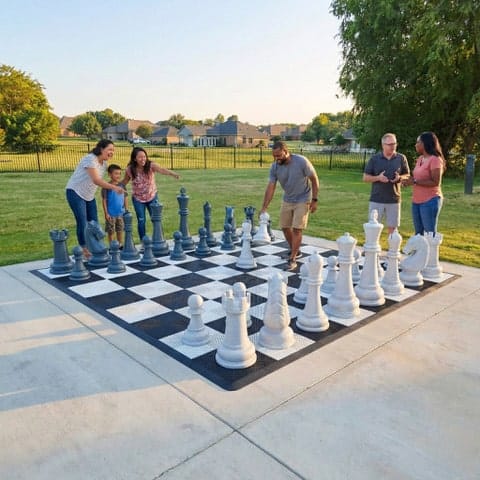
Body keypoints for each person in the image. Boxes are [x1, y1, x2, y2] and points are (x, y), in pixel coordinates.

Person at [260, 141, 319, 271]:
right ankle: (295, 250)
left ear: (286, 152)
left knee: (297, 229)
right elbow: (271, 187)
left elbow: (314, 179)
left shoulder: (301, 161)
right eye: (274, 156)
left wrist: (314, 200)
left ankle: (292, 259)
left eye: (279, 155)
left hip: (303, 198)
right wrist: (264, 207)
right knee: (285, 227)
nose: (276, 159)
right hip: (288, 199)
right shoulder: (275, 167)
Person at [66, 139, 125, 259]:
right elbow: (96, 180)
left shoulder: (104, 164)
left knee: (94, 223)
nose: (112, 152)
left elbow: (108, 177)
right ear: (101, 149)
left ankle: (96, 247)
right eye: (110, 149)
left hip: (89, 196)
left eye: (113, 150)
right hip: (75, 192)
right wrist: (114, 187)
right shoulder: (90, 159)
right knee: (83, 222)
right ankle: (84, 250)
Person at [122, 146, 180, 242]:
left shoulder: (151, 165)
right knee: (141, 220)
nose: (143, 159)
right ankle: (143, 241)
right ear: (134, 159)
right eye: (140, 157)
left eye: (144, 156)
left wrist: (173, 174)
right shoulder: (130, 169)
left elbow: (162, 170)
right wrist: (114, 187)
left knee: (156, 219)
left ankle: (160, 239)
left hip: (152, 196)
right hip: (138, 199)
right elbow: (125, 181)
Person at [363, 133, 410, 234]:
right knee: (373, 229)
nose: (393, 146)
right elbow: (365, 178)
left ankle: (392, 245)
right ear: (383, 145)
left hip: (394, 199)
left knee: (393, 230)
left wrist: (399, 178)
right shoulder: (374, 159)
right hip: (377, 199)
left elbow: (407, 175)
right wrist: (378, 178)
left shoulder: (401, 158)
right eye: (390, 144)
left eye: (394, 144)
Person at [402, 131, 445, 234]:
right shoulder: (420, 159)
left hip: (430, 200)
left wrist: (415, 181)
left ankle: (432, 246)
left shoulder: (435, 160)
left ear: (425, 144)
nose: (416, 145)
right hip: (416, 201)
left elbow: (436, 182)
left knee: (429, 233)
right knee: (418, 234)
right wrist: (407, 181)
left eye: (418, 142)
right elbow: (417, 178)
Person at [101, 164, 128, 246]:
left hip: (121, 213)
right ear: (109, 174)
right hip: (111, 214)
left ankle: (120, 245)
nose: (118, 175)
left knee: (120, 230)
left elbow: (125, 197)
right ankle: (112, 247)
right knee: (111, 231)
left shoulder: (122, 185)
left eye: (119, 173)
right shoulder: (106, 187)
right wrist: (106, 213)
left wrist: (126, 210)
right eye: (116, 173)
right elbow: (104, 200)